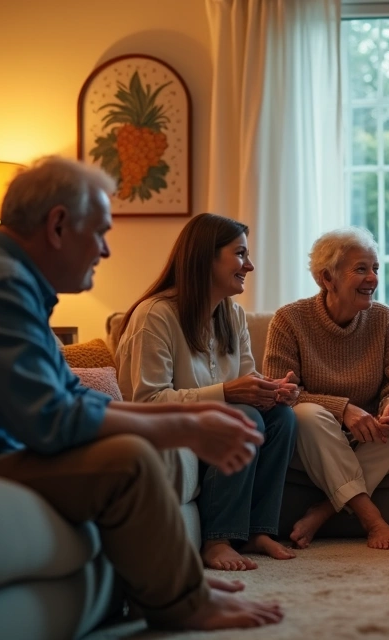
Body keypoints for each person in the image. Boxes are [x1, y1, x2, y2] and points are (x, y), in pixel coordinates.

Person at [0, 157, 283, 631]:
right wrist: (184, 424)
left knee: (129, 447)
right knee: (126, 461)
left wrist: (182, 423)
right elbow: (51, 419)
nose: (106, 250)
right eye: (100, 232)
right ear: (57, 225)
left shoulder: (7, 280)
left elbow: (70, 394)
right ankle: (183, 602)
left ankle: (175, 580)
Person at [115, 213, 298, 572]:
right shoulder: (155, 316)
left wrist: (273, 392)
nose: (250, 265)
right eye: (240, 254)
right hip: (169, 430)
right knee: (242, 416)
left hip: (216, 427)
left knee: (281, 418)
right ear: (206, 257)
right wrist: (228, 394)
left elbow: (246, 382)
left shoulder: (233, 315)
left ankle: (257, 531)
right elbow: (146, 401)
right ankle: (217, 540)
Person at [263, 227, 389, 551]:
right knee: (308, 415)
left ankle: (323, 510)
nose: (373, 279)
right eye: (361, 269)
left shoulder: (385, 320)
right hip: (312, 438)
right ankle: (372, 520)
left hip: (366, 437)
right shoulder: (289, 320)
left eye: (375, 268)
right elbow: (280, 393)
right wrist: (343, 409)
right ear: (327, 278)